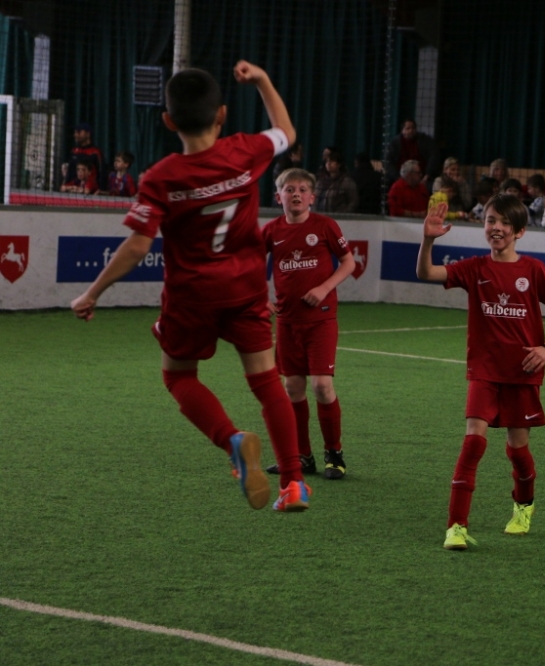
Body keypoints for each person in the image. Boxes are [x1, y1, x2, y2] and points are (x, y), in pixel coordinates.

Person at [70, 60, 309, 513]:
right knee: (266, 381)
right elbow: (286, 130)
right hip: (245, 289)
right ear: (221, 114)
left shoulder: (161, 177)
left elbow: (138, 246)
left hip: (191, 297)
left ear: (168, 120)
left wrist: (92, 292)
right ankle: (294, 484)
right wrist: (261, 80)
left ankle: (232, 440)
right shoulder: (245, 151)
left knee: (178, 376)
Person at [415, 194, 545, 550]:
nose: (496, 228)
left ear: (520, 232)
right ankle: (456, 526)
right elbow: (426, 272)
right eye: (490, 221)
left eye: (504, 223)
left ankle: (523, 506)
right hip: (484, 370)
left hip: (522, 371)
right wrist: (428, 240)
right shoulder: (474, 268)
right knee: (473, 441)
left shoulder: (533, 269)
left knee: (518, 449)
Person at [262, 168, 356, 480]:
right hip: (288, 321)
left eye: (303, 189)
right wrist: (260, 297)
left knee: (321, 385)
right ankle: (302, 456)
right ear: (278, 197)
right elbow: (250, 265)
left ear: (312, 197)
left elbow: (348, 262)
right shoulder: (271, 231)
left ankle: (334, 454)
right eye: (289, 189)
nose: (297, 194)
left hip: (321, 319)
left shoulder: (325, 226)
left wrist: (324, 288)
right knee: (292, 387)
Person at [383, 118, 440, 186]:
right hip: (399, 178)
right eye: (408, 128)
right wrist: (398, 178)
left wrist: (427, 175)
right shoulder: (395, 143)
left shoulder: (424, 140)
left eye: (413, 128)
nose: (411, 130)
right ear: (402, 130)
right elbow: (388, 162)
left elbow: (434, 156)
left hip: (423, 178)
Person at [64, 122, 106, 190]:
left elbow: (102, 174)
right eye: (75, 133)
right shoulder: (74, 151)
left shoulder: (95, 152)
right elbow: (69, 173)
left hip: (89, 191)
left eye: (79, 132)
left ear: (88, 134)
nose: (75, 135)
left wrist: (100, 191)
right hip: (72, 190)